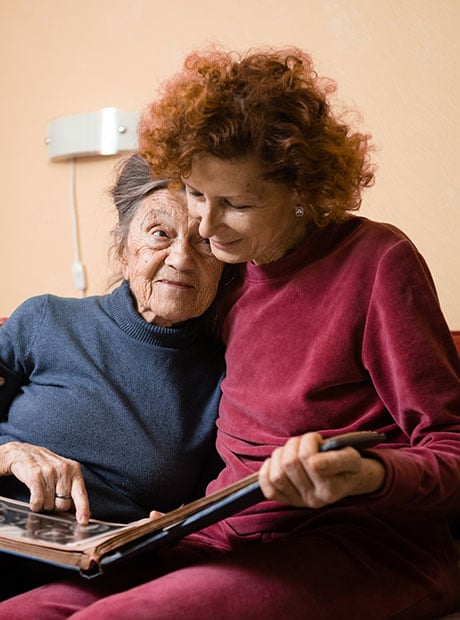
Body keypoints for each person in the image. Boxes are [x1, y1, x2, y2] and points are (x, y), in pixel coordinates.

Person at [2, 46, 460, 620]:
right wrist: (171, 523)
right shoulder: (233, 279)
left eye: (237, 203)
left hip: (358, 544)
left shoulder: (376, 261)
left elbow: (450, 443)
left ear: (302, 191)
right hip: (223, 537)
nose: (207, 226)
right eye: (196, 194)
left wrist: (368, 473)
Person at [0, 153, 225, 598]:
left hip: (94, 578)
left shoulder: (225, 379)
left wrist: (177, 529)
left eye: (202, 242)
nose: (181, 258)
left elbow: (220, 505)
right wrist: (10, 453)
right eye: (159, 233)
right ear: (123, 250)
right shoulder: (45, 320)